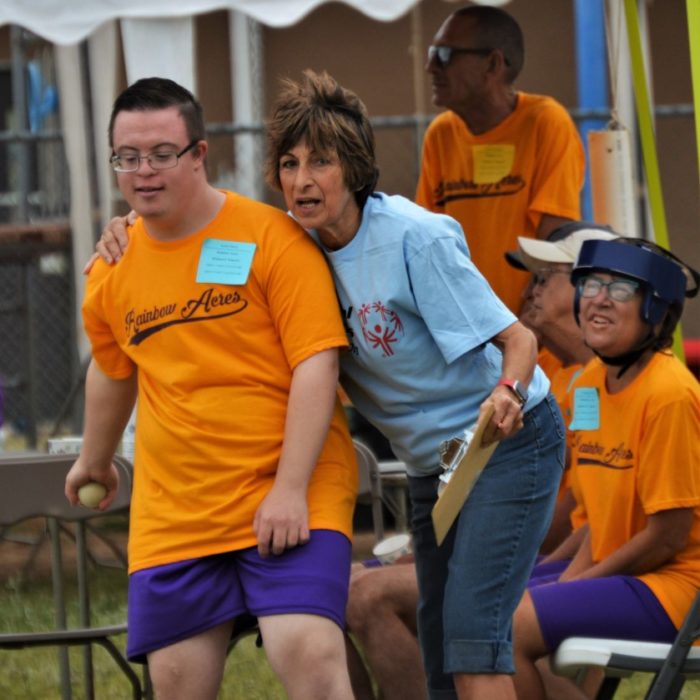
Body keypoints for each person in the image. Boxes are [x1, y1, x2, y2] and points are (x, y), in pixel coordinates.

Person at [95, 70, 565, 700]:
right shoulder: (295, 244)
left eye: (321, 162)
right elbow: (191, 228)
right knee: (438, 642)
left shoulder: (412, 237)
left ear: (355, 166)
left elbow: (521, 341)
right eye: (289, 164)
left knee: (474, 637)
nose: (301, 180)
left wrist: (506, 392)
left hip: (507, 444)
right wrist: (132, 221)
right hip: (438, 465)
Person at [65, 77, 359, 700]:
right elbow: (113, 366)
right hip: (178, 511)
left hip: (290, 489)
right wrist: (95, 457)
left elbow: (317, 364)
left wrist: (288, 489)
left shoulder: (273, 237)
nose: (144, 171)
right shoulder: (111, 270)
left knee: (306, 650)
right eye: (128, 157)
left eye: (163, 153)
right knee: (175, 682)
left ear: (199, 154)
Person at [343, 222, 616, 700]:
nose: (527, 291)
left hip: (549, 558)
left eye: (544, 276)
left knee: (391, 601)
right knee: (345, 586)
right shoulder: (548, 370)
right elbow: (465, 445)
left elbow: (582, 504)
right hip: (535, 553)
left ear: (592, 287)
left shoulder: (619, 384)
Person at [512, 238, 700, 700]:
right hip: (626, 575)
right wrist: (563, 575)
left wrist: (577, 585)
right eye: (591, 283)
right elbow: (600, 507)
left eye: (619, 289)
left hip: (677, 588)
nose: (597, 297)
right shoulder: (590, 385)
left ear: (655, 309)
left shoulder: (670, 396)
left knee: (503, 630)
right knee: (479, 615)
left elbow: (668, 536)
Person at [416, 5, 585, 314]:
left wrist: (522, 335)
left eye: (444, 54)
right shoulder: (439, 135)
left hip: (532, 339)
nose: (430, 66)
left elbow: (555, 247)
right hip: (467, 338)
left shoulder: (546, 122)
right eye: (431, 52)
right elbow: (430, 245)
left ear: (492, 63)